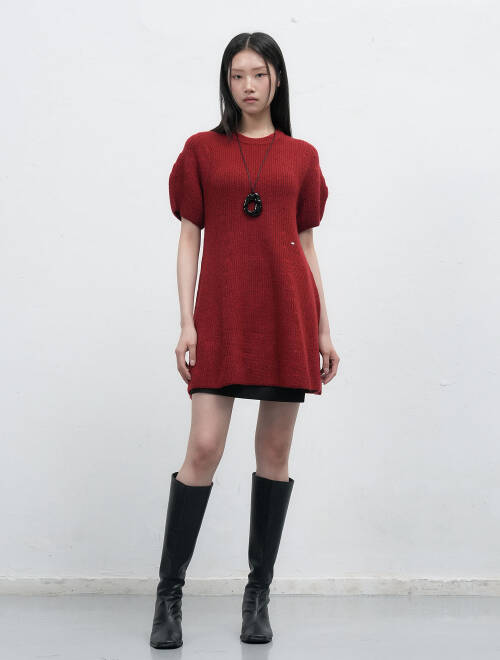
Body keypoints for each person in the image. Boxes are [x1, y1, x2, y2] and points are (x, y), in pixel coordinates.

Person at [150, 31, 340, 649]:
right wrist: (187, 321)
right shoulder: (201, 151)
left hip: (287, 315)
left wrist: (323, 326)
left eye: (259, 74)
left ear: (276, 78)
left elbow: (305, 243)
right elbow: (189, 237)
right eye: (237, 76)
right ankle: (168, 596)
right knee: (204, 447)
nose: (248, 86)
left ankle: (257, 596)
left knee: (274, 454)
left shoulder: (301, 156)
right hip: (223, 313)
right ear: (226, 82)